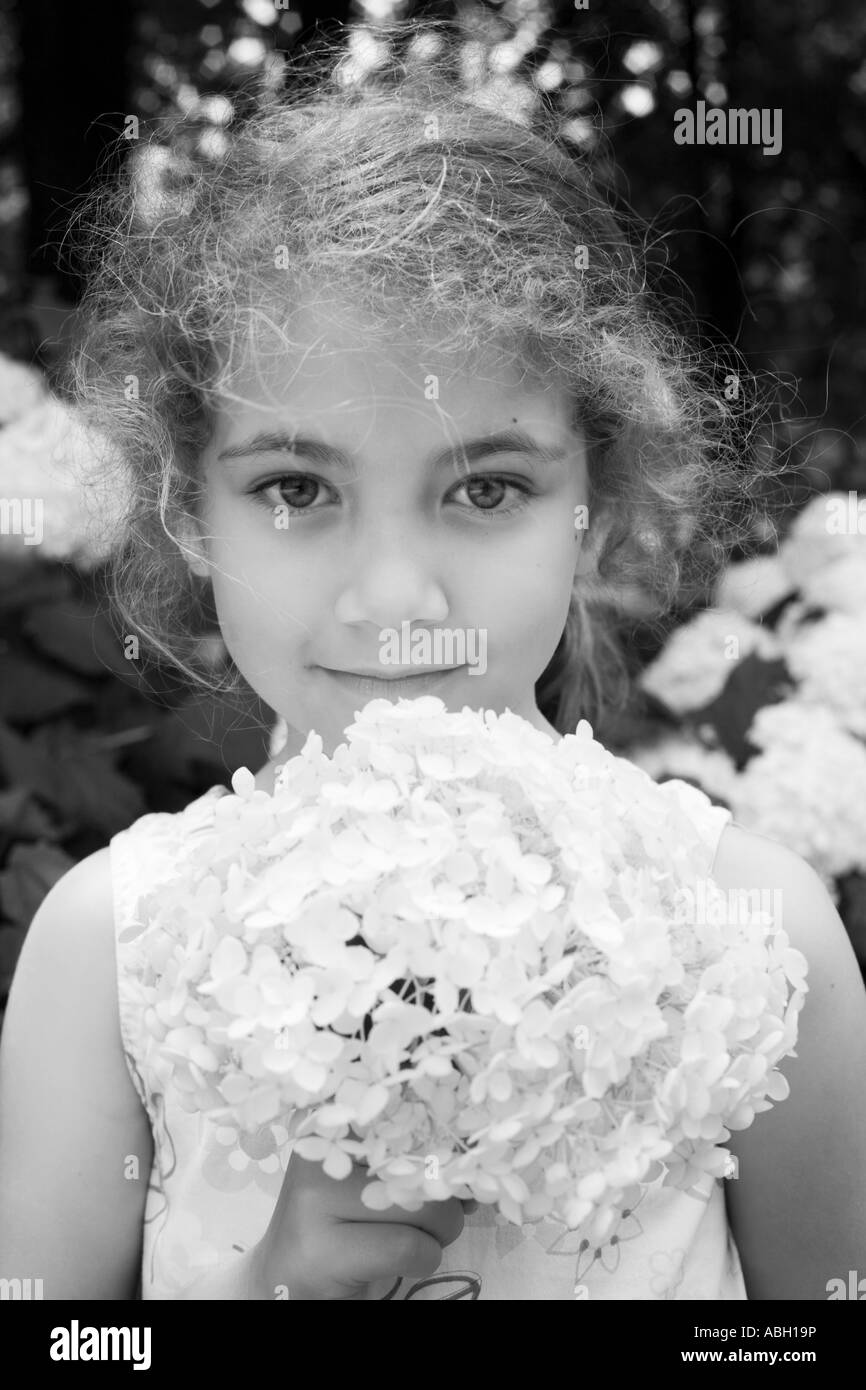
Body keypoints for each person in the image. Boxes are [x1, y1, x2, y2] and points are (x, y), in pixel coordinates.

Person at [1, 19, 864, 1301]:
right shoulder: (105, 950)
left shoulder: (754, 937)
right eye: (296, 484)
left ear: (598, 505)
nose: (395, 595)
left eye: (486, 488)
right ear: (191, 505)